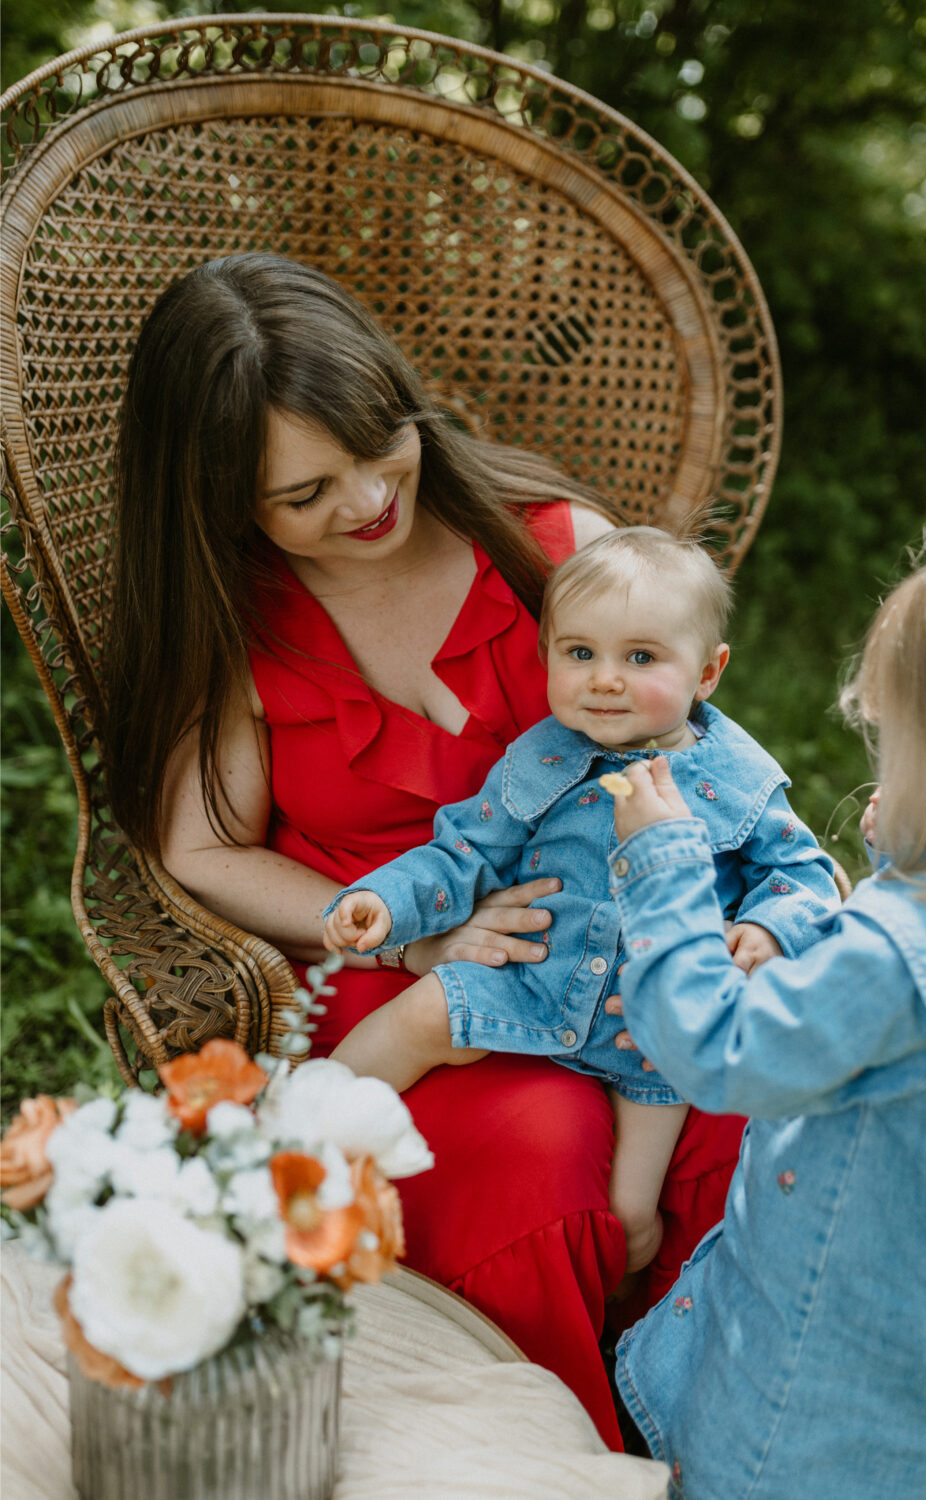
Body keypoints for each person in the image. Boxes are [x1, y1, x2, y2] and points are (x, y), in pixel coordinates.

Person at [100, 252, 747, 1449]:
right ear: (225, 501)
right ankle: (556, 1460)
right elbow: (201, 846)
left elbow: (698, 753)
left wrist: (746, 914)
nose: (363, 501)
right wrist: (404, 936)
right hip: (403, 984)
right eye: (305, 493)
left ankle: (736, 1436)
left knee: (749, 1098)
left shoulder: (547, 545)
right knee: (541, 1150)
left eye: (374, 444)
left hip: (612, 953)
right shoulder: (241, 620)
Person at [323, 528, 841, 1274]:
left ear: (707, 673)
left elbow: (803, 871)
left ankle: (621, 1324)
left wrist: (766, 926)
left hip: (651, 1032)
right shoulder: (545, 756)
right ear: (549, 657)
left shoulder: (738, 777)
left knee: (632, 1218)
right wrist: (387, 901)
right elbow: (466, 849)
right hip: (534, 981)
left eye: (640, 658)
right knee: (424, 1012)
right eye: (579, 654)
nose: (604, 680)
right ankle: (306, 1134)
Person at [603, 534, 926, 1498]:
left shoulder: (903, 961)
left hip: (793, 1412)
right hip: (919, 1394)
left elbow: (716, 1049)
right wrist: (908, 858)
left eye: (895, 741)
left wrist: (664, 867)